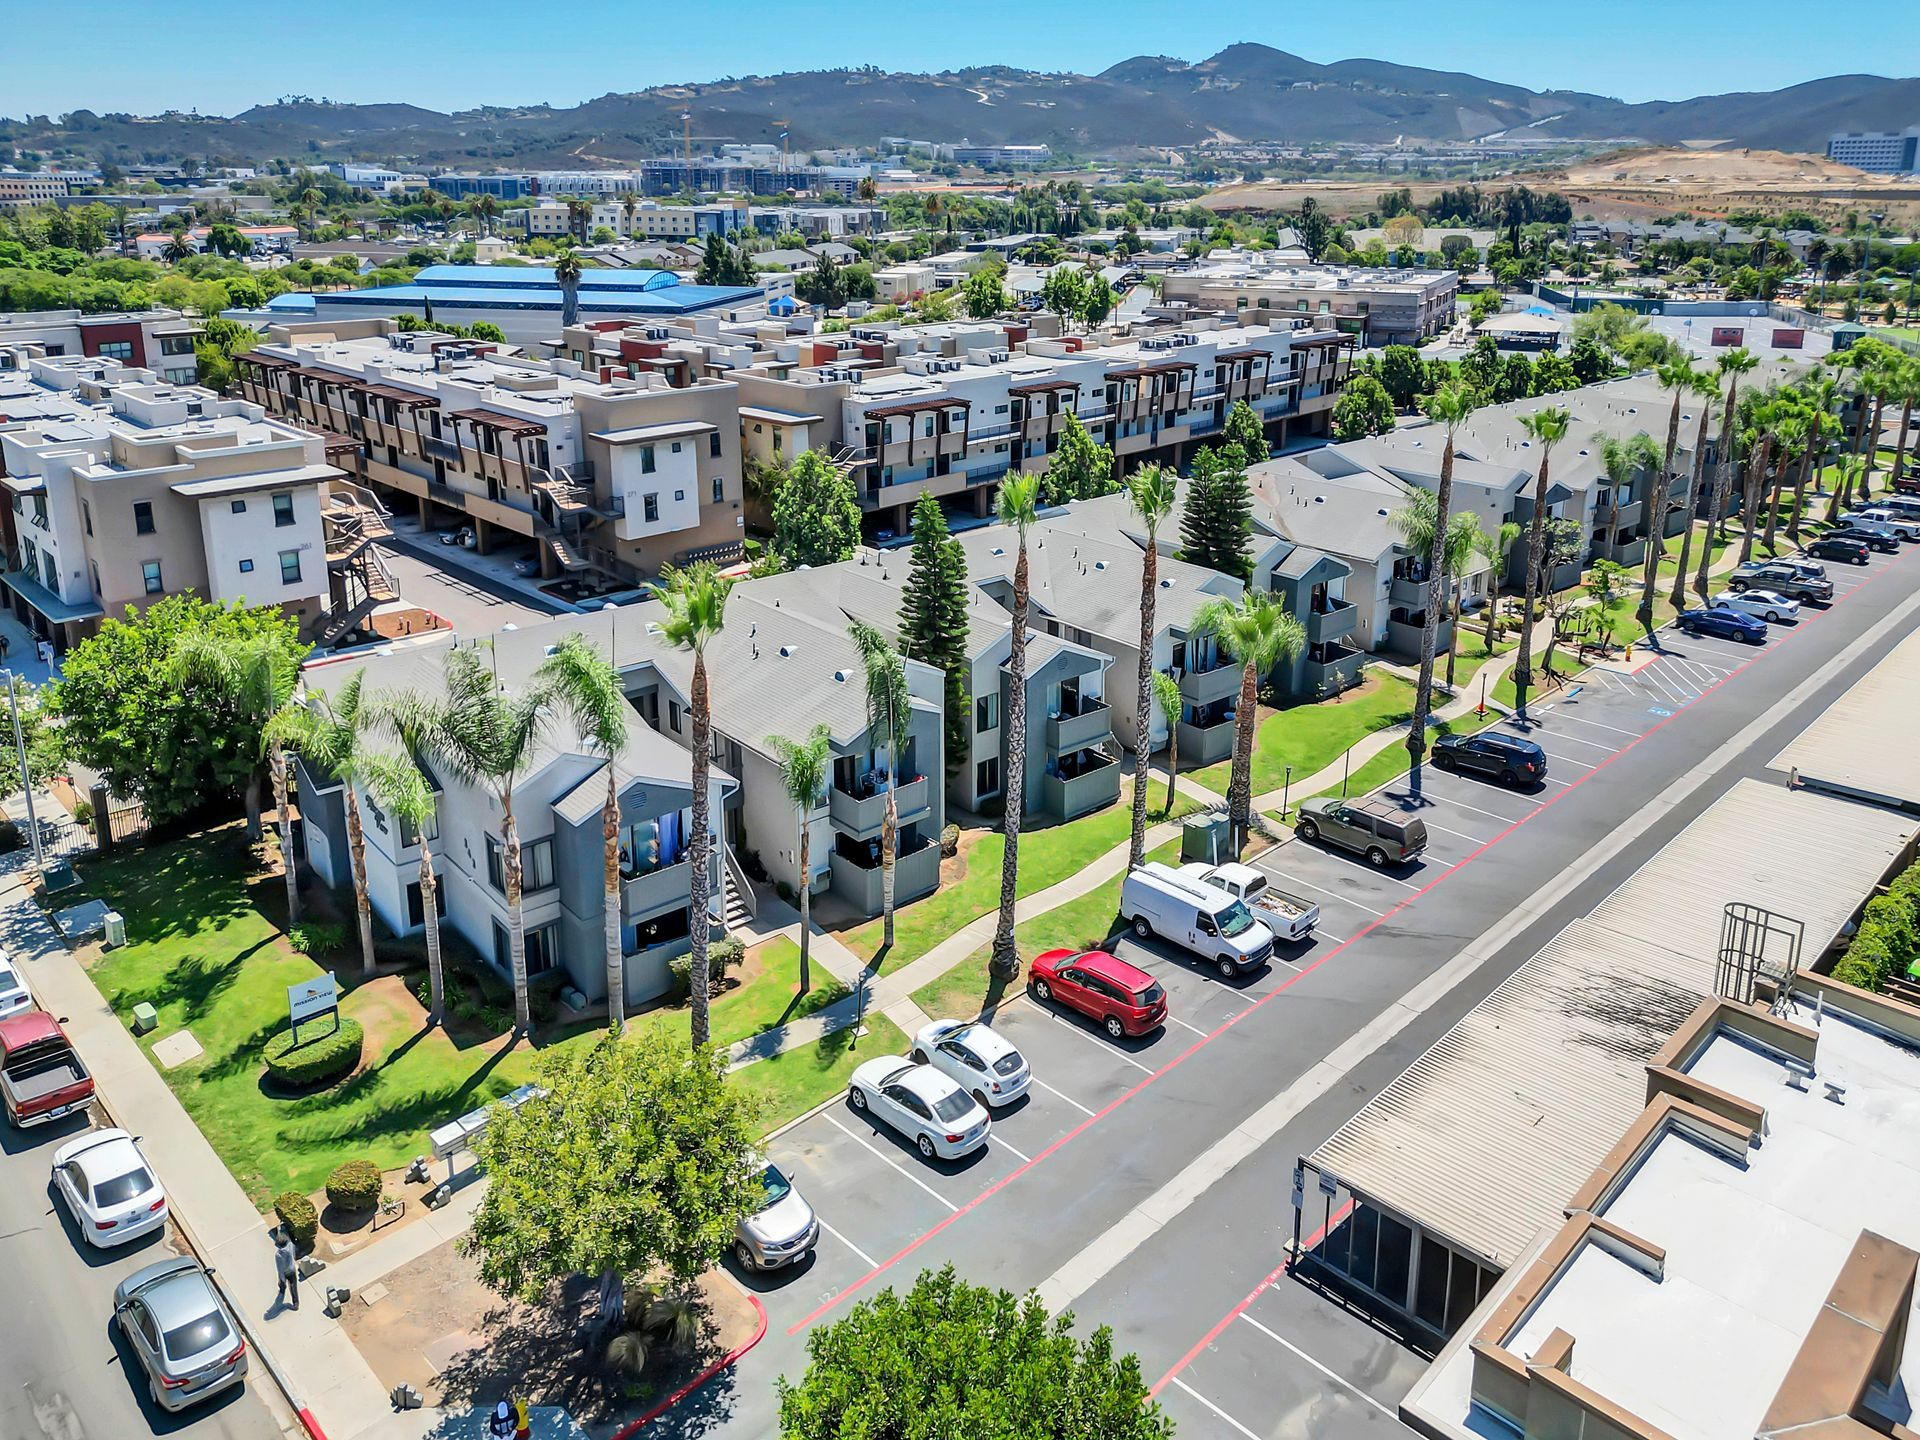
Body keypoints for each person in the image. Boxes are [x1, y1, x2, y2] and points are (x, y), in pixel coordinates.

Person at [273, 1227, 299, 1310]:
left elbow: (280, 1269)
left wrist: (282, 1279)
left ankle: (282, 1288)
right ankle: (295, 1303)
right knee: (293, 1286)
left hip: (285, 1272)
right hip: (292, 1269)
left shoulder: (279, 1255)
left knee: (282, 1282)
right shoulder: (290, 1244)